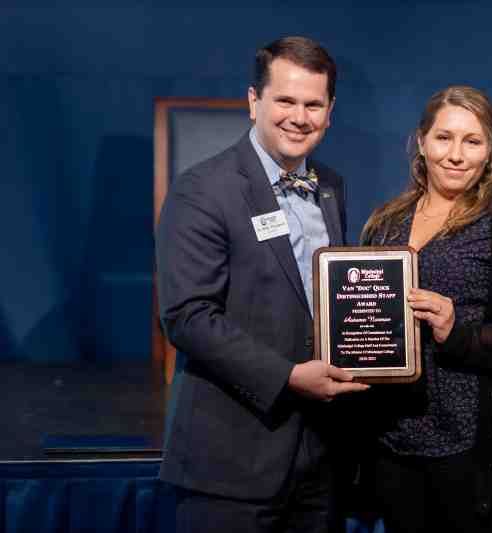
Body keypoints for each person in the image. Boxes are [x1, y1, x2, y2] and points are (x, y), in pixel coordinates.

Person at [156, 36, 369, 533]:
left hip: (319, 460)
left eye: (313, 104)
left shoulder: (332, 186)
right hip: (230, 464)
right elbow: (187, 317)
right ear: (254, 102)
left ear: (330, 111)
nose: (300, 116)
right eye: (286, 101)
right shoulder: (202, 189)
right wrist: (289, 377)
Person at [359, 86, 492, 533]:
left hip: (475, 451)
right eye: (443, 138)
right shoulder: (384, 222)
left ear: (490, 151)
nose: (456, 155)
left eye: (472, 141)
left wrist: (460, 332)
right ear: (421, 142)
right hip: (394, 442)